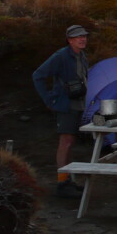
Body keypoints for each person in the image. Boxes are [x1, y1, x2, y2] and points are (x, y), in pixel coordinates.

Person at [33, 25, 90, 198]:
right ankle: (62, 183)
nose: (83, 39)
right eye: (78, 37)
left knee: (70, 142)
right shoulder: (61, 56)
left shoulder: (82, 56)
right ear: (69, 40)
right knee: (65, 142)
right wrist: (49, 99)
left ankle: (68, 180)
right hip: (66, 106)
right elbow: (38, 75)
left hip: (78, 104)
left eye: (84, 36)